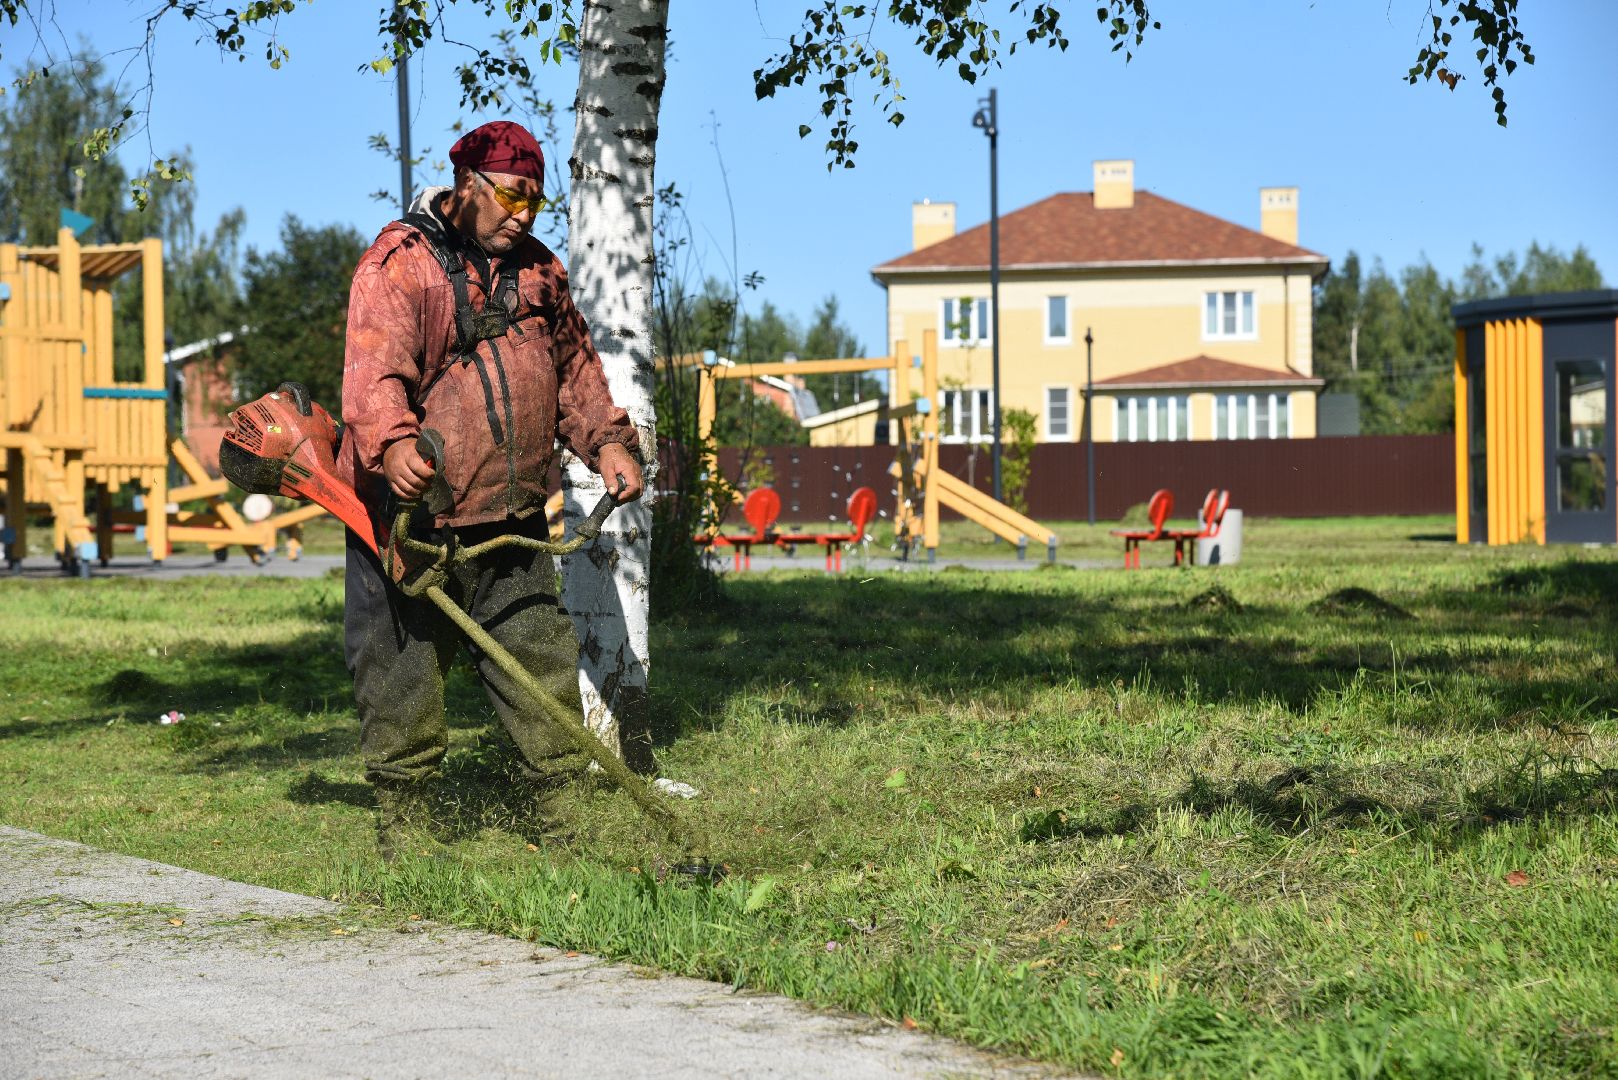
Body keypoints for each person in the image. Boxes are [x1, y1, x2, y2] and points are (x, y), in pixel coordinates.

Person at [338, 120, 644, 859]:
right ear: (469, 185)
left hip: (512, 521)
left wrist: (606, 442)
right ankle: (407, 828)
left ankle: (566, 821)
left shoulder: (540, 274)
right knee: (402, 676)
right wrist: (394, 443)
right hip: (411, 527)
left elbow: (574, 370)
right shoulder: (398, 264)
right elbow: (374, 370)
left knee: (539, 670)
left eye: (535, 203)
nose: (522, 215)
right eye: (511, 197)